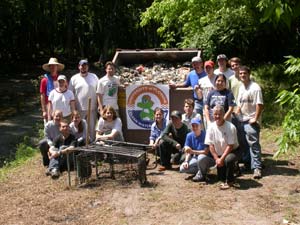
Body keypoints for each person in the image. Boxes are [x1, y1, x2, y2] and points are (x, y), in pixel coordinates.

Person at [236, 66, 264, 179]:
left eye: (244, 73)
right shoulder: (241, 87)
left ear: (249, 74)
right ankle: (248, 164)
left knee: (253, 144)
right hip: (242, 120)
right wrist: (236, 114)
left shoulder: (255, 88)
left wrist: (255, 118)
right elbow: (239, 104)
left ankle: (257, 168)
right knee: (244, 144)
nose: (242, 75)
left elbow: (260, 104)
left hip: (251, 120)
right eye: (241, 73)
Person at [204, 105, 241, 189]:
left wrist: (222, 159)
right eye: (215, 114)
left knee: (229, 159)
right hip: (219, 154)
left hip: (232, 151)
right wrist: (217, 159)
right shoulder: (210, 127)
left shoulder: (230, 127)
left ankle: (230, 181)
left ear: (223, 114)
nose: (217, 116)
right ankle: (233, 170)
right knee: (221, 177)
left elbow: (230, 146)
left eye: (219, 114)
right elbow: (210, 145)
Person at [69, 59, 99, 141]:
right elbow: (70, 94)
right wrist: (73, 109)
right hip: (79, 109)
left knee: (92, 128)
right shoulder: (74, 78)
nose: (83, 67)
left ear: (88, 67)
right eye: (82, 66)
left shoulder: (94, 77)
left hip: (92, 108)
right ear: (79, 67)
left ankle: (92, 145)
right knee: (80, 128)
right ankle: (80, 145)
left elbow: (99, 91)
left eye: (85, 66)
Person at [179, 118, 209, 182]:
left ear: (200, 126)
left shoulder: (206, 135)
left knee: (201, 157)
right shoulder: (189, 135)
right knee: (182, 169)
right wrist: (186, 161)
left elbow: (206, 152)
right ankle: (202, 170)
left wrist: (192, 151)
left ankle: (202, 173)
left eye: (196, 125)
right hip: (195, 158)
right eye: (193, 126)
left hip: (206, 158)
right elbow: (188, 151)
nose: (195, 127)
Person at [39, 58, 65, 123]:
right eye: (51, 66)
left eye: (54, 65)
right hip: (49, 107)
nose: (53, 67)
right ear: (49, 67)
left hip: (60, 106)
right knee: (49, 126)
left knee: (61, 126)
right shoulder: (44, 80)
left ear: (57, 67)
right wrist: (44, 111)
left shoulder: (62, 79)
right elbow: (42, 96)